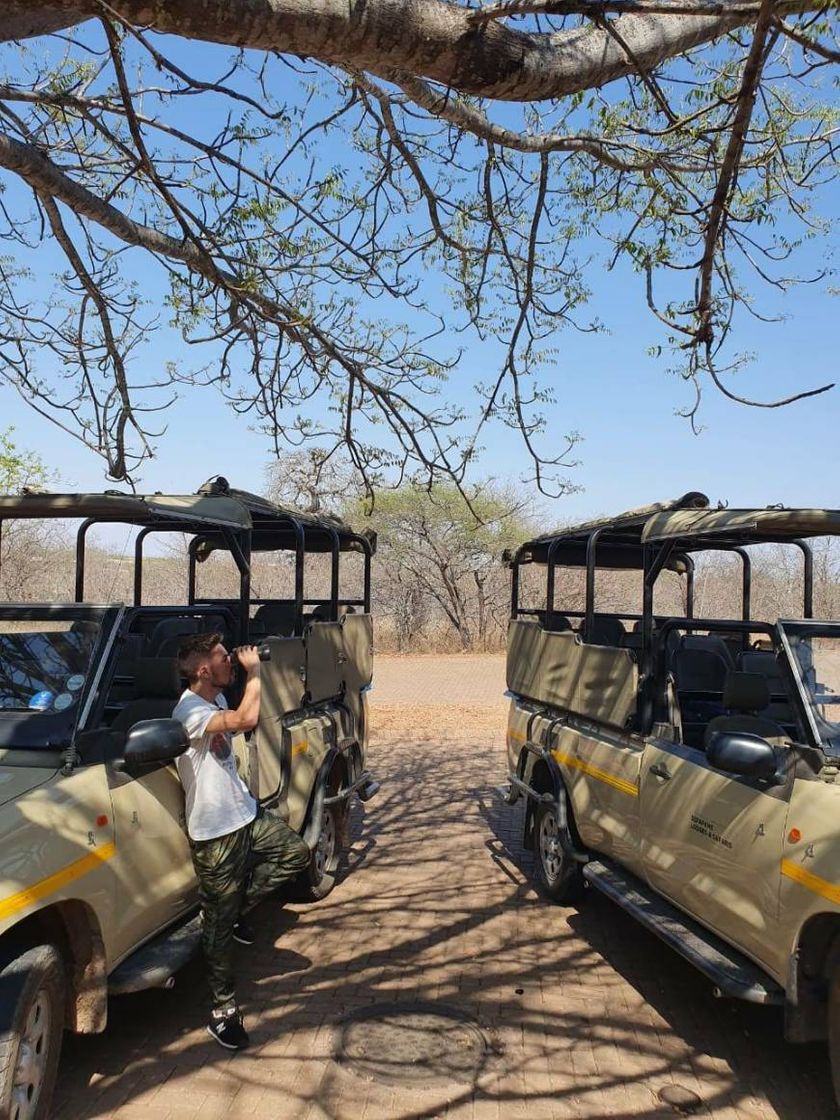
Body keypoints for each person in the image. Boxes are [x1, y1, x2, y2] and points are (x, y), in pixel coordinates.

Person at [173, 631, 310, 1051]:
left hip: (245, 817)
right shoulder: (189, 712)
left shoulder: (213, 699)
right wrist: (254, 673)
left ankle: (235, 910)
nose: (230, 661)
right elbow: (246, 720)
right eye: (222, 658)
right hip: (215, 834)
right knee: (216, 930)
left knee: (296, 855)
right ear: (202, 670)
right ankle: (223, 1012)